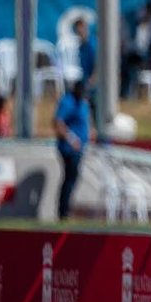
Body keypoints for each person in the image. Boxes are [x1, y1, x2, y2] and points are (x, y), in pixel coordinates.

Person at [54, 80, 93, 220]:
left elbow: (86, 120)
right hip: (69, 148)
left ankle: (66, 208)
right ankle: (63, 211)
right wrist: (71, 139)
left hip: (79, 147)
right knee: (70, 177)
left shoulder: (83, 103)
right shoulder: (67, 102)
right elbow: (58, 123)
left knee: (73, 177)